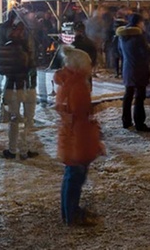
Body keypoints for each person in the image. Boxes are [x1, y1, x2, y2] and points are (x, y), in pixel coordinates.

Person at [54, 46, 104, 226]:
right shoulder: (78, 85)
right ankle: (71, 214)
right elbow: (79, 114)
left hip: (71, 135)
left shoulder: (68, 82)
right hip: (78, 137)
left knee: (72, 175)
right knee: (75, 176)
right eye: (89, 63)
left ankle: (69, 211)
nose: (91, 66)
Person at [0, 22, 38, 159]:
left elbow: (0, 69)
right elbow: (33, 68)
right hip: (29, 86)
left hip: (14, 87)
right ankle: (25, 149)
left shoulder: (7, 48)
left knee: (15, 119)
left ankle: (13, 150)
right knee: (28, 119)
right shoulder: (28, 48)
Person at [116, 14, 150, 132]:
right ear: (138, 23)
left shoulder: (122, 36)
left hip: (127, 68)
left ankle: (126, 121)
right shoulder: (139, 37)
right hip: (139, 69)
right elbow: (146, 53)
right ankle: (139, 123)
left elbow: (120, 52)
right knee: (139, 97)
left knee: (128, 95)